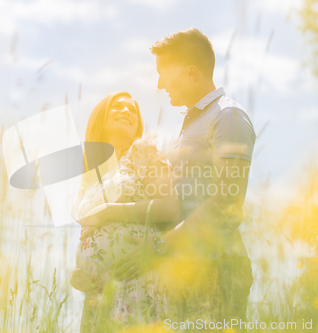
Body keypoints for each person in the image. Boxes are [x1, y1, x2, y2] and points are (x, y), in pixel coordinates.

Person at [114, 27, 256, 331]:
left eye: (163, 72)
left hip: (216, 269)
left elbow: (226, 202)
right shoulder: (189, 125)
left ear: (191, 72)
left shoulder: (227, 116)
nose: (159, 83)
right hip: (181, 273)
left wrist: (159, 249)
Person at [70, 91, 180, 332]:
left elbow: (169, 207)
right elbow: (88, 234)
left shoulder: (142, 150)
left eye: (133, 110)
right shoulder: (91, 173)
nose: (127, 112)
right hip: (99, 295)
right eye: (117, 107)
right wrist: (78, 275)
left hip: (136, 279)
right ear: (100, 118)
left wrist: (109, 211)